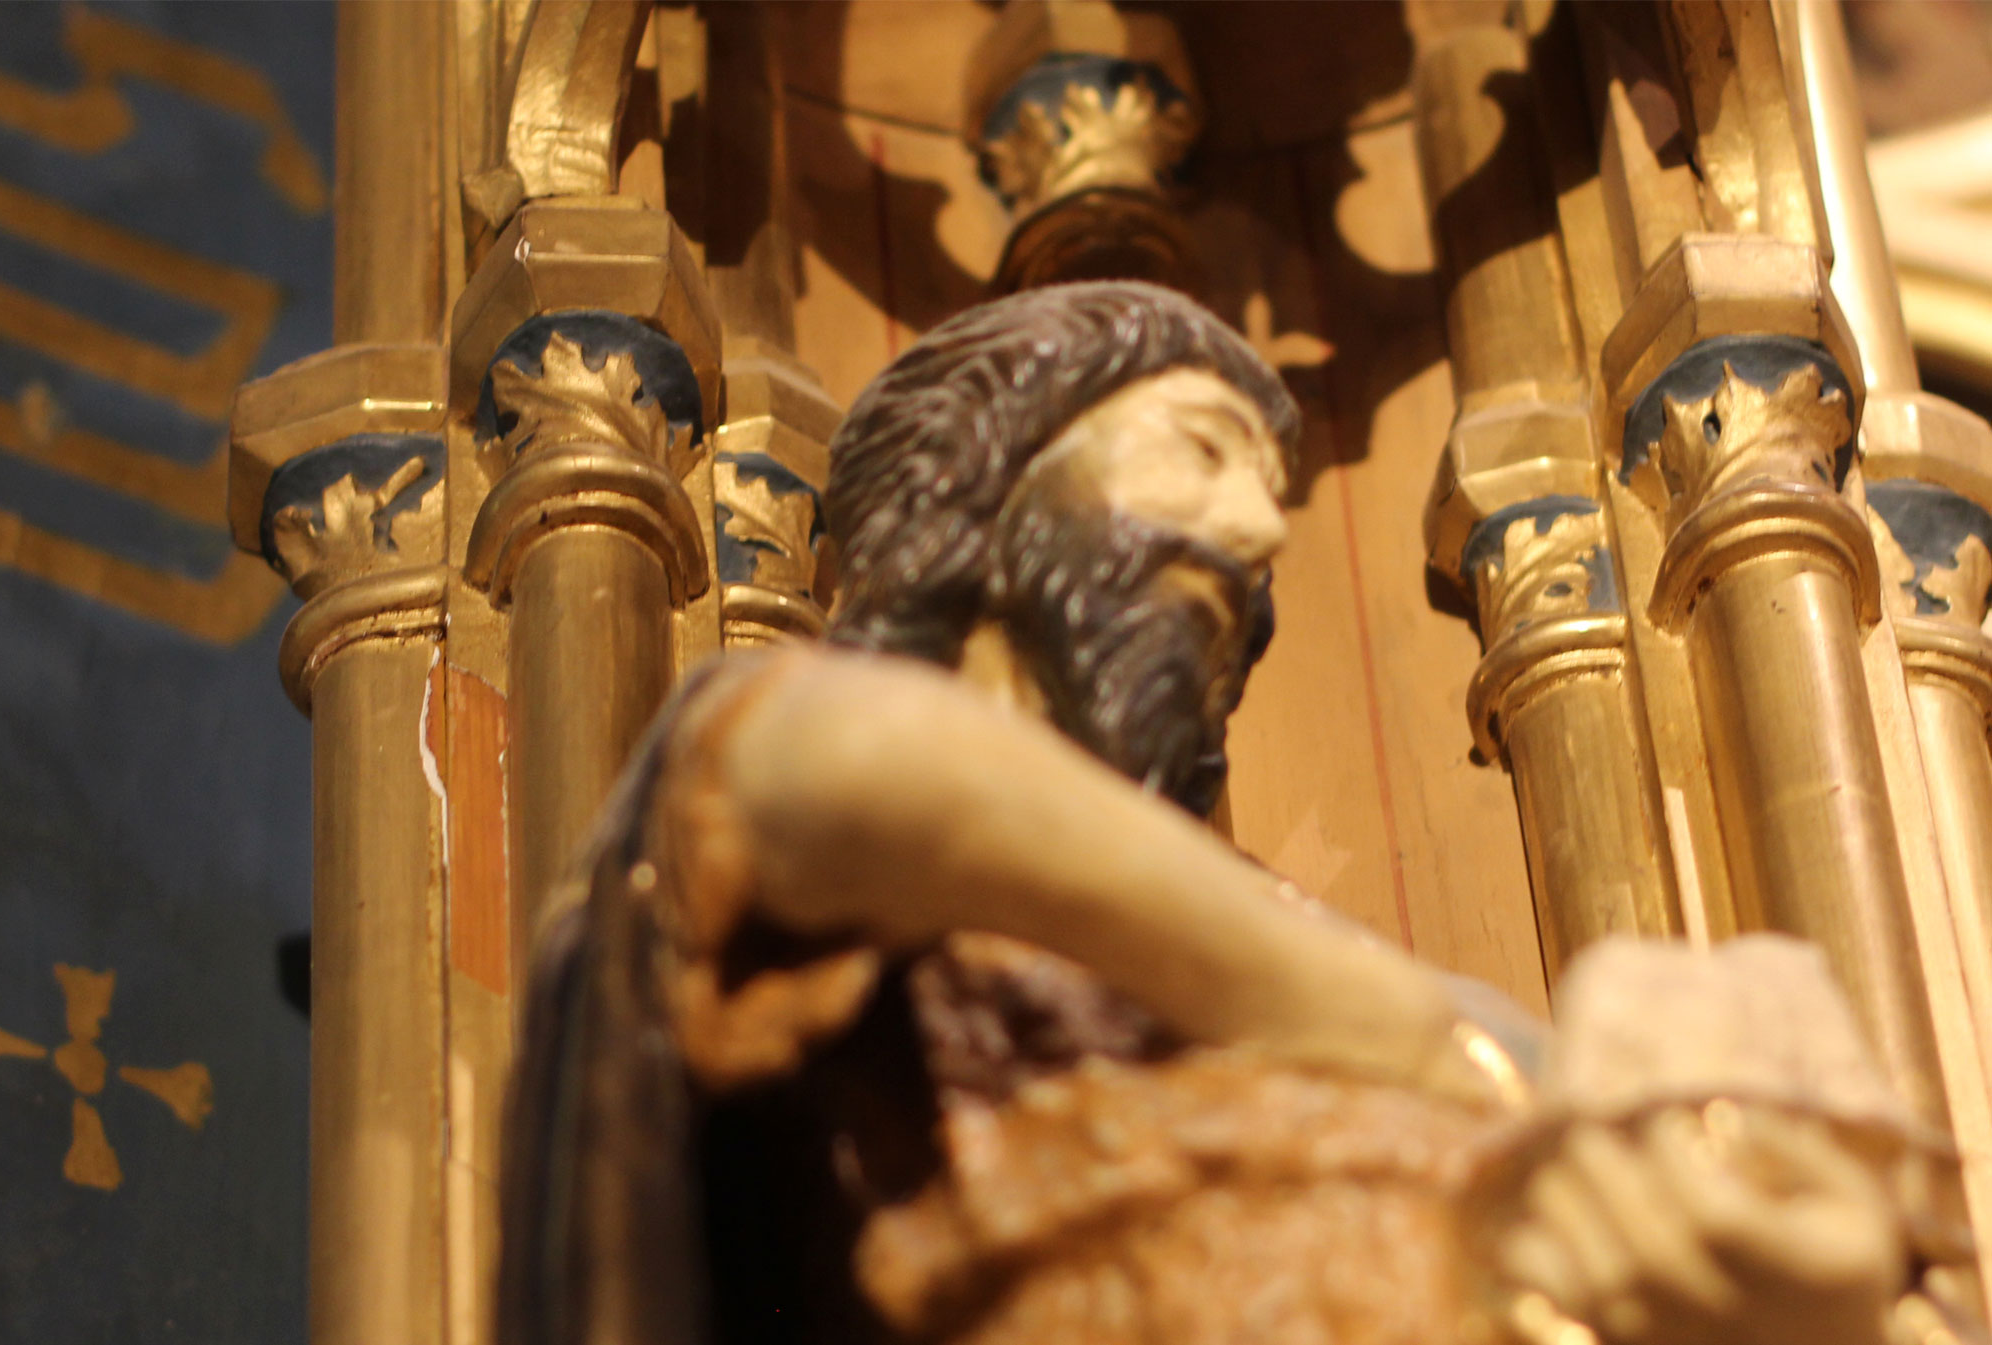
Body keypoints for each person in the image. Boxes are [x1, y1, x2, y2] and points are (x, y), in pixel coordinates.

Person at [496, 282, 1961, 1345]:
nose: (1259, 537)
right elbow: (845, 761)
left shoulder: (1285, 920)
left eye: (1265, 493)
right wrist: (1448, 1050)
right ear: (987, 487)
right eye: (1198, 454)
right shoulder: (795, 758)